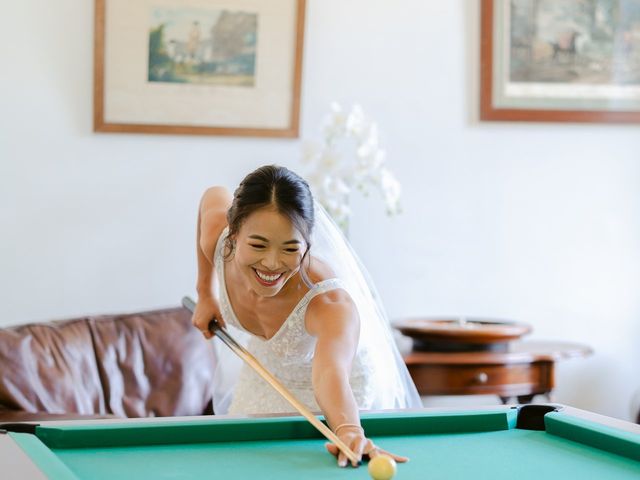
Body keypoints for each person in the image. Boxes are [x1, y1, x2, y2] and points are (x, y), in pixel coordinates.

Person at [192, 165, 421, 467]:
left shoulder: (329, 302)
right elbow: (211, 195)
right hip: (269, 368)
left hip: (336, 383)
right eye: (258, 244)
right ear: (233, 233)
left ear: (307, 244)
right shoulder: (216, 240)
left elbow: (330, 374)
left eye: (290, 248)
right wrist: (205, 293)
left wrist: (348, 429)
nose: (272, 263)